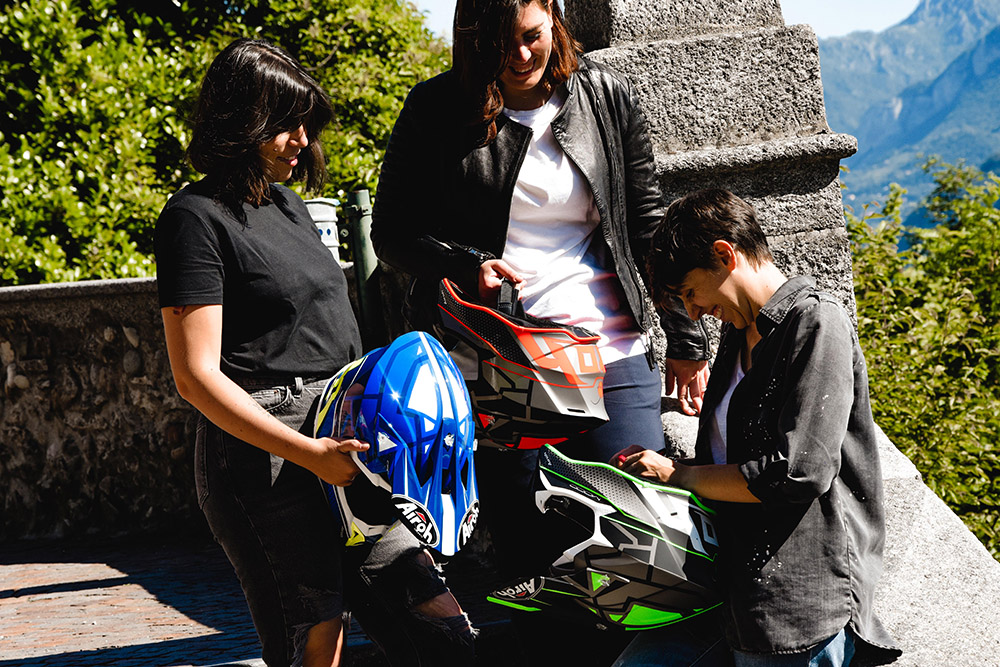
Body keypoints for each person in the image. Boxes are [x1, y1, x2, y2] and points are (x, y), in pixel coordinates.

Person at [370, 1, 709, 663]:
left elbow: (647, 225)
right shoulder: (438, 108)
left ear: (553, 15)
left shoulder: (606, 97)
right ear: (473, 39)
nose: (520, 56)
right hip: (506, 366)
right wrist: (465, 263)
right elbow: (392, 233)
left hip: (612, 353)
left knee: (643, 553)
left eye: (531, 36)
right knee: (535, 561)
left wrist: (686, 340)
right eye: (501, 43)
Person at [154, 39, 471, 667]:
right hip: (266, 456)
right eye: (285, 124)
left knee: (435, 616)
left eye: (307, 123)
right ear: (240, 122)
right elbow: (194, 376)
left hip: (347, 441)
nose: (303, 140)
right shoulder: (193, 218)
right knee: (316, 637)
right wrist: (308, 454)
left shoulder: (289, 205)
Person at [611, 189, 902, 666]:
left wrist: (680, 476)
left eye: (690, 292)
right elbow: (732, 458)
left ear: (725, 255)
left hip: (795, 607)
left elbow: (799, 472)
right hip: (726, 588)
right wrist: (663, 472)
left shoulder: (816, 322)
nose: (692, 313)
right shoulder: (737, 332)